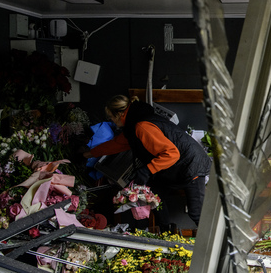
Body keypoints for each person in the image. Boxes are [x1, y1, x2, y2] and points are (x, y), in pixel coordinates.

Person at [83, 95, 212, 228]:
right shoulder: (133, 127)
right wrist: (87, 154)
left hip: (191, 165)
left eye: (111, 117)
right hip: (180, 166)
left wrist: (147, 170)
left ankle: (218, 244)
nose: (110, 120)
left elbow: (172, 154)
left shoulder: (142, 126)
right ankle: (167, 232)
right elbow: (115, 145)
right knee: (154, 194)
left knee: (196, 212)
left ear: (120, 114)